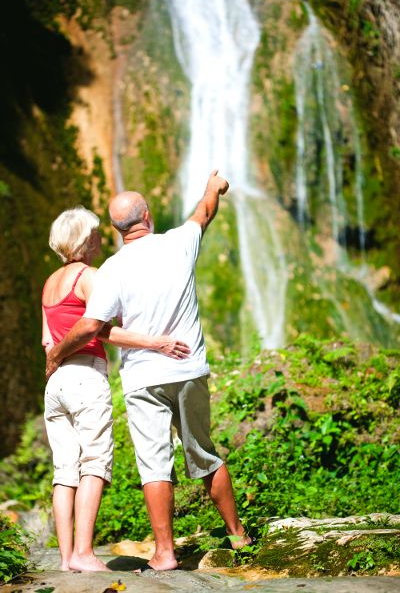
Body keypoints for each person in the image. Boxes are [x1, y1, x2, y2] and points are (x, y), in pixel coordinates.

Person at [46, 171, 251, 571]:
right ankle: (238, 535)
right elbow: (205, 211)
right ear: (149, 216)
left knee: (155, 464)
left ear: (117, 230)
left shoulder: (110, 270)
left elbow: (92, 326)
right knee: (204, 452)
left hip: (142, 379)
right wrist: (214, 186)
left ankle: (165, 553)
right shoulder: (180, 241)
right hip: (189, 367)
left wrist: (56, 354)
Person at [42, 207, 189, 572]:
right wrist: (154, 342)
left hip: (56, 381)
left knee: (65, 470)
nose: (99, 239)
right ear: (85, 240)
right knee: (94, 463)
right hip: (85, 377)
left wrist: (57, 358)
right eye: (94, 234)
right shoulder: (89, 277)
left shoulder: (49, 283)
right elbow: (97, 329)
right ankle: (84, 553)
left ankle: (66, 559)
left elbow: (48, 340)